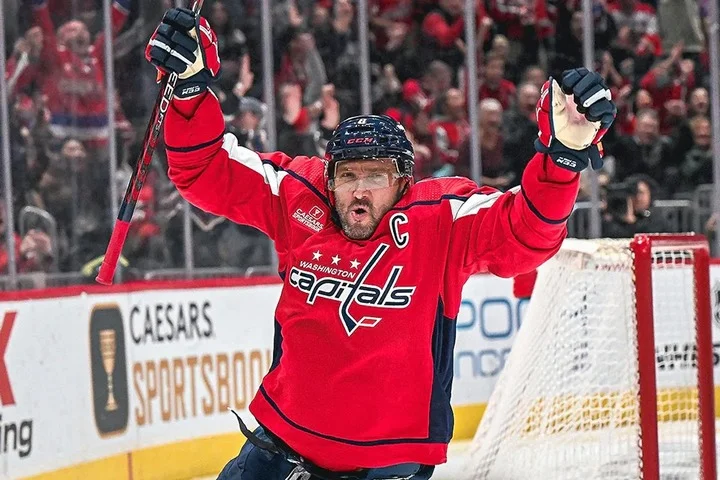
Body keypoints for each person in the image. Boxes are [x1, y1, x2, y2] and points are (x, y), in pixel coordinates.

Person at [145, 8, 616, 480]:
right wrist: (189, 93)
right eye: (347, 175)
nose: (359, 191)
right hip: (278, 449)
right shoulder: (299, 195)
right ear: (329, 177)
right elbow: (204, 170)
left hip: (387, 468)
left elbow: (525, 234)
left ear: (405, 181)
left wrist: (562, 161)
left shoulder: (443, 219)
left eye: (376, 175)